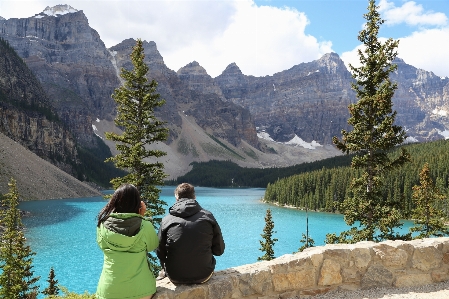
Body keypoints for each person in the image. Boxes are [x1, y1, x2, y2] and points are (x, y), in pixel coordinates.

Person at [96, 184, 159, 299]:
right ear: (138, 203)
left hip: (109, 291)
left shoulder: (102, 225)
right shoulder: (145, 225)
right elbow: (152, 246)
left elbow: (102, 246)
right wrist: (141, 216)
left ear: (114, 202)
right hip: (141, 290)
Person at [156, 183, 225, 284]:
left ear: (176, 197)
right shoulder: (208, 216)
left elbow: (160, 252)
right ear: (194, 197)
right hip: (204, 274)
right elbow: (219, 250)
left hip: (175, 276)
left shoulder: (167, 220)